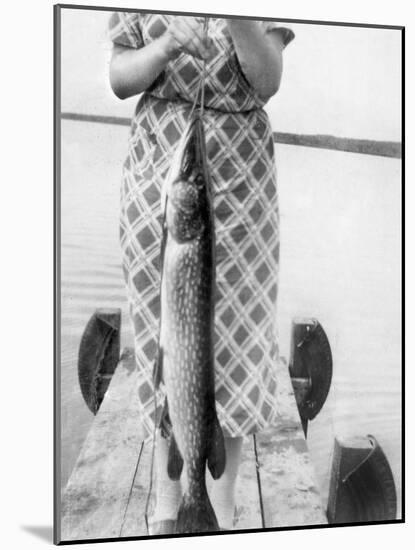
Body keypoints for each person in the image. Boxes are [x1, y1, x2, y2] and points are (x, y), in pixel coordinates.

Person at [108, 11, 294, 535]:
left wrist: (238, 18)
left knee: (236, 346)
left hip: (241, 182)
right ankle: (168, 511)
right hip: (161, 182)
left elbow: (269, 78)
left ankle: (221, 512)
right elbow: (120, 77)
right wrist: (163, 48)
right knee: (164, 344)